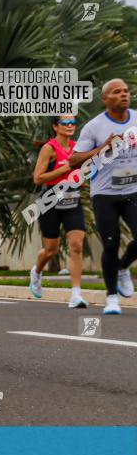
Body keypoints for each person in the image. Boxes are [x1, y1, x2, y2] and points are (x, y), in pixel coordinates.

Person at [69, 79, 137, 315]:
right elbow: (74, 161)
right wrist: (102, 149)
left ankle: (122, 268)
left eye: (125, 91)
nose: (123, 94)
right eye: (117, 92)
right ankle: (112, 298)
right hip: (105, 194)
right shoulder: (94, 127)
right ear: (105, 99)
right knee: (111, 243)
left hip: (133, 191)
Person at [29, 115, 87, 308]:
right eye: (65, 123)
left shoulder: (77, 147)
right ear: (55, 126)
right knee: (50, 250)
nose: (70, 126)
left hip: (73, 200)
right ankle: (36, 272)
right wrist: (65, 169)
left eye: (73, 123)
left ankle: (76, 294)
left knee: (77, 245)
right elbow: (38, 178)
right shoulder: (49, 148)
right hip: (50, 201)